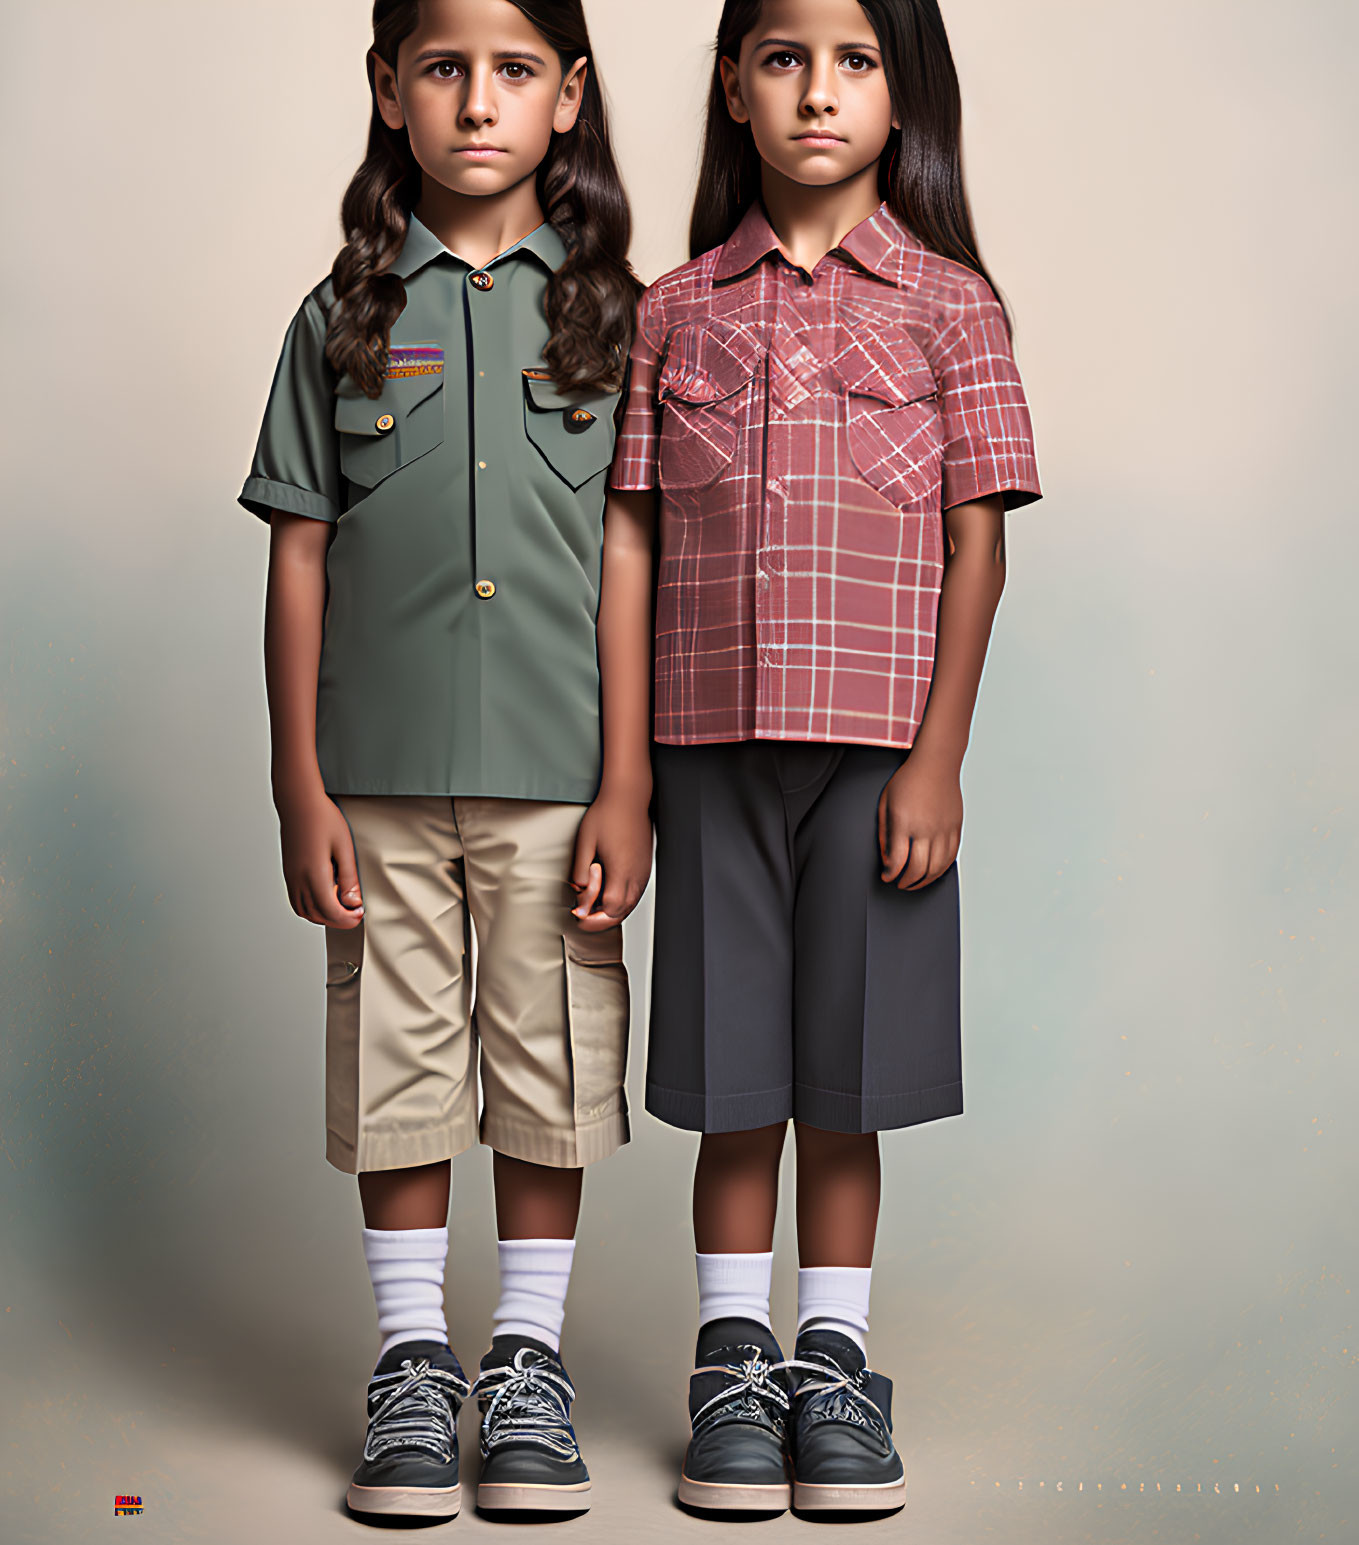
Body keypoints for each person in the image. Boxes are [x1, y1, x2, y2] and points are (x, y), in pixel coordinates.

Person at [606, 0, 1042, 1516]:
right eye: (785, 57)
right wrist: (627, 774)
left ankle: (836, 1363)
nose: (818, 92)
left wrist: (940, 760)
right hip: (709, 749)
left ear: (904, 94)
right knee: (738, 1081)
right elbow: (632, 543)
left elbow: (976, 544)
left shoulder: (950, 307)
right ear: (735, 85)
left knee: (842, 1086)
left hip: (876, 763)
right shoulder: (677, 311)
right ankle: (734, 1363)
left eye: (856, 61)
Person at [238, 0, 652, 1520]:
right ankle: (414, 1363)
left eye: (516, 70)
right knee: (402, 1063)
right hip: (380, 776)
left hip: (562, 772)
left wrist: (631, 779)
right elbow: (298, 553)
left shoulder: (617, 313)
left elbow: (627, 548)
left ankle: (526, 1362)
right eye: (443, 68)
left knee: (546, 1056)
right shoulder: (334, 316)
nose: (479, 102)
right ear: (389, 89)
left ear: (568, 96)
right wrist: (300, 781)